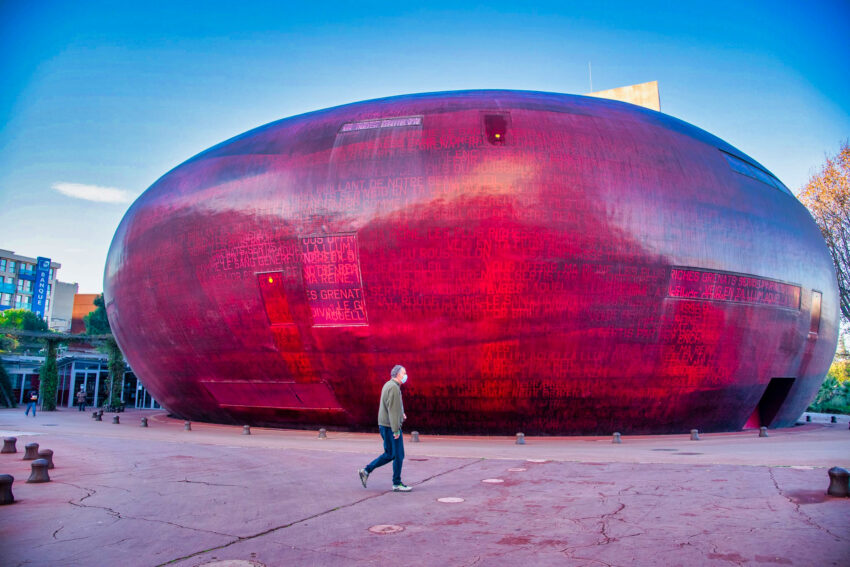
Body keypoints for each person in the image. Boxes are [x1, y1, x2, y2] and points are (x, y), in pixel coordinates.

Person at [359, 365, 411, 492]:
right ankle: (397, 483)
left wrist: (401, 414)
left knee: (389, 454)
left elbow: (391, 406)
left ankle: (366, 471)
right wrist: (396, 430)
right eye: (404, 373)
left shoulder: (388, 384)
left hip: (384, 425)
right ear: (398, 374)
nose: (405, 375)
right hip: (390, 426)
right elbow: (393, 409)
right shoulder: (394, 387)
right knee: (399, 455)